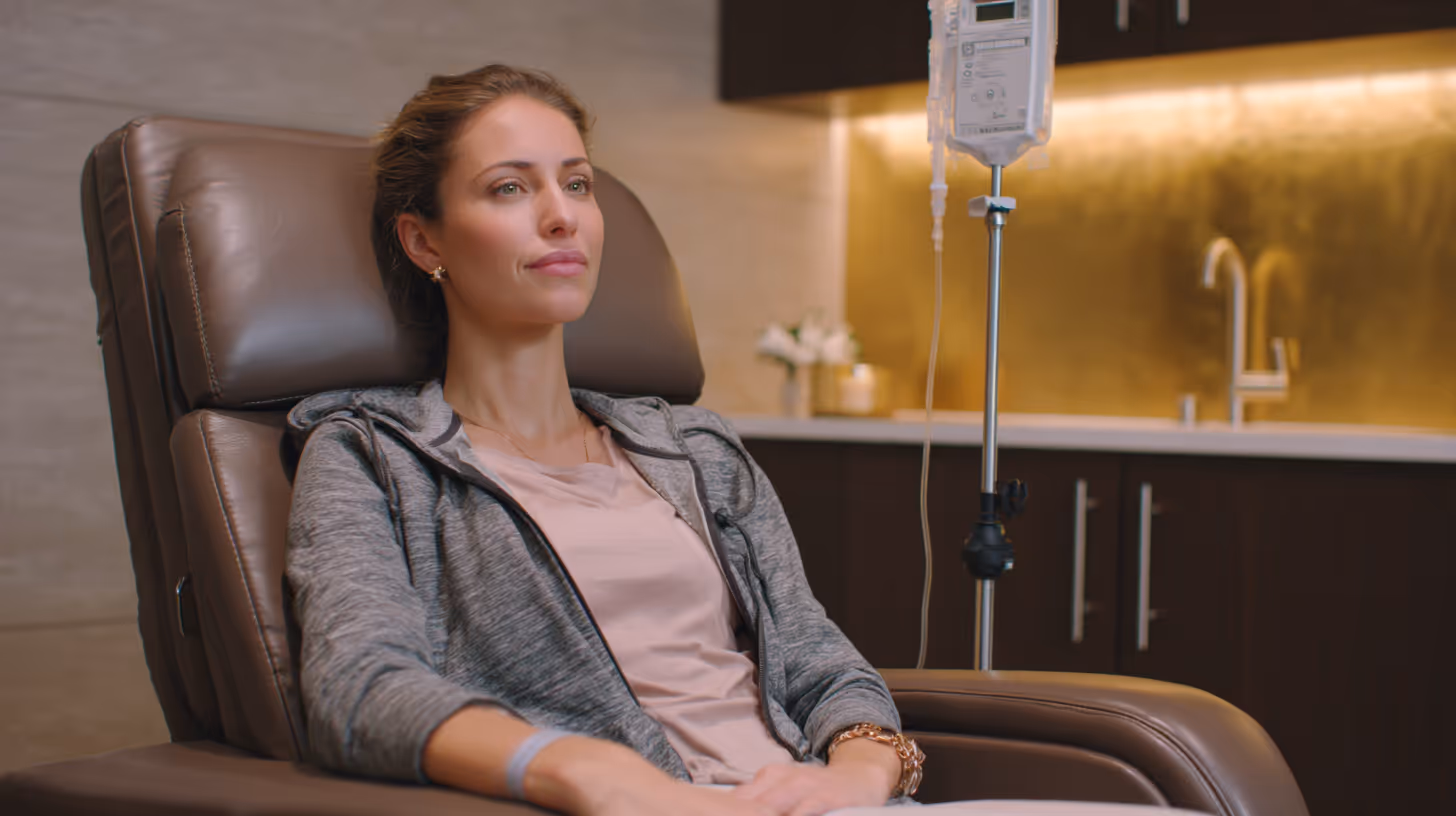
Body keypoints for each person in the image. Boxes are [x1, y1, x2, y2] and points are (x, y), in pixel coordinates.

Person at [285, 64, 1199, 816]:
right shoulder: (373, 456)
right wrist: (599, 777)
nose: (562, 216)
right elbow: (358, 687)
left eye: (578, 182)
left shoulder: (691, 448)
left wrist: (858, 776)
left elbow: (819, 658)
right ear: (423, 239)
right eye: (509, 188)